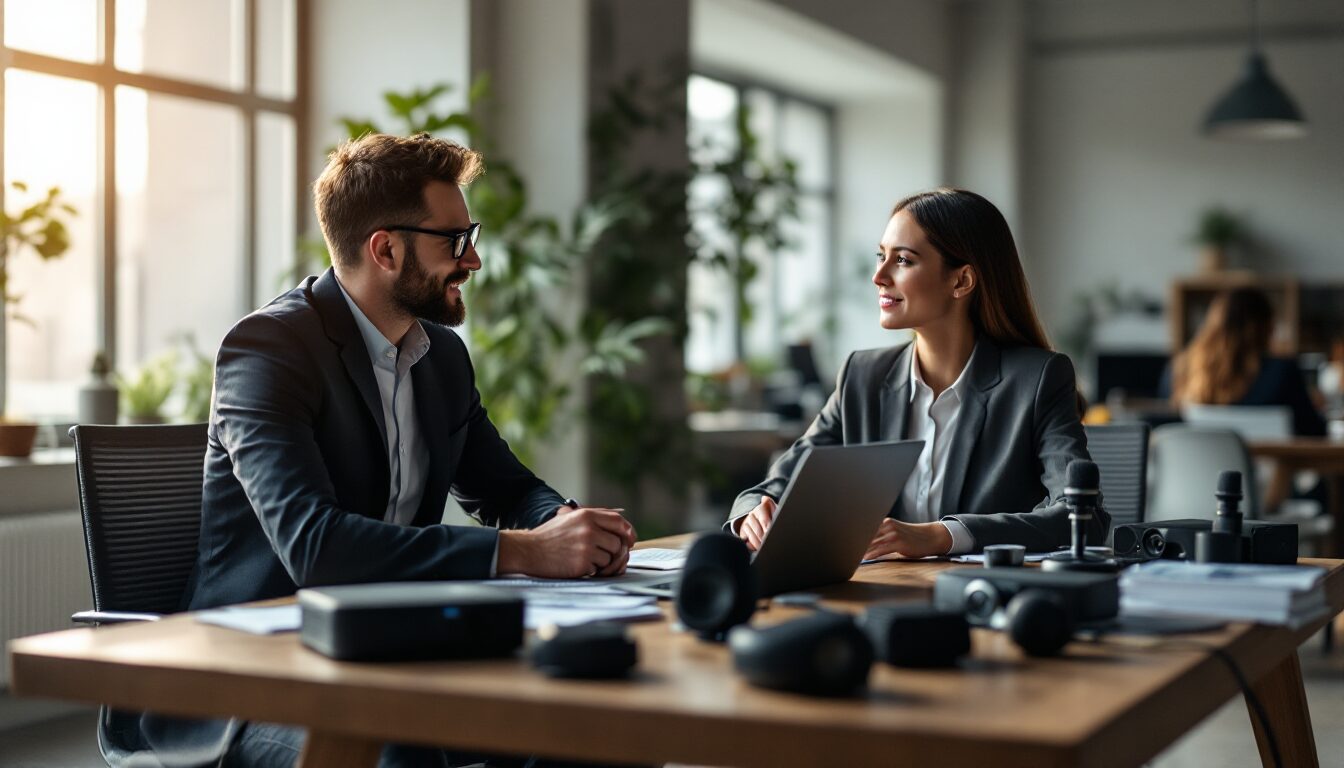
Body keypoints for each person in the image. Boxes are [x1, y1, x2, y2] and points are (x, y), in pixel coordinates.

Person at [129, 133, 637, 768]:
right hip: (251, 679)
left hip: (392, 651)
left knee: (590, 724)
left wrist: (563, 524)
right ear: (386, 249)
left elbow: (505, 488)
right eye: (454, 241)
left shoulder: (441, 357)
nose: (474, 260)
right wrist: (525, 551)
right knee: (397, 748)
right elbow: (316, 547)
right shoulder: (268, 350)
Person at [727, 188, 1106, 558]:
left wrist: (941, 535)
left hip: (982, 591)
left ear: (961, 281)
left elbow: (1081, 518)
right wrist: (753, 514)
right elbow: (774, 487)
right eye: (881, 256)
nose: (879, 276)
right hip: (879, 588)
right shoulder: (862, 376)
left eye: (903, 260)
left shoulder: (1036, 380)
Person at [1165, 287, 1326, 437]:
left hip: (1199, 459)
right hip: (1272, 460)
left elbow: (1166, 424)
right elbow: (1314, 431)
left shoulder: (1182, 369)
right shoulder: (1283, 372)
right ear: (1267, 328)